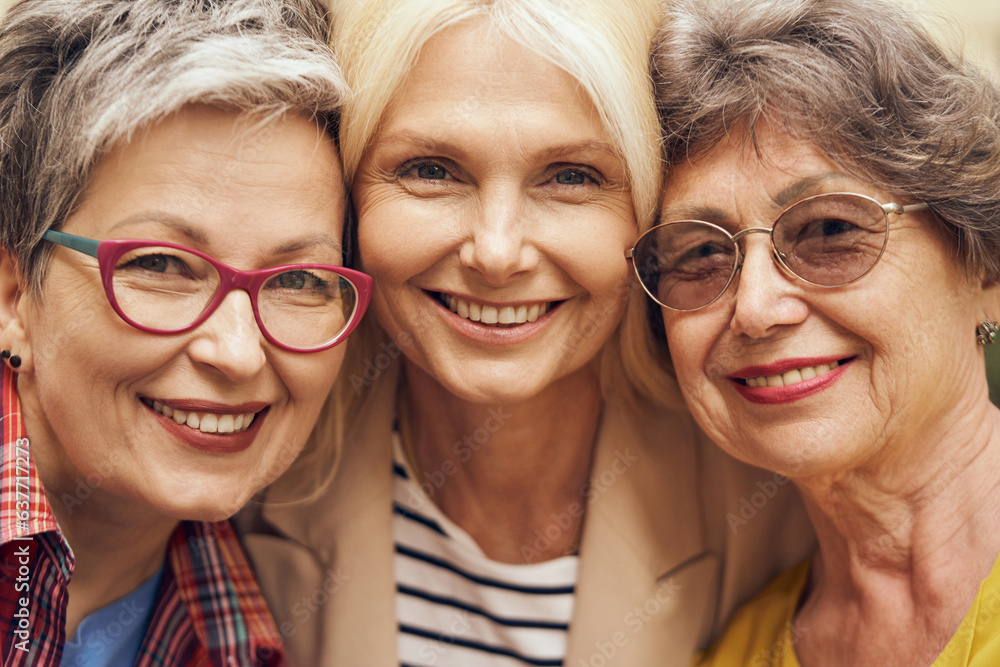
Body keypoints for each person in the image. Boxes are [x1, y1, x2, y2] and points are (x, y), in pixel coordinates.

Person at [240, 1, 814, 665]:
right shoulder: (247, 476)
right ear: (349, 201)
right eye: (431, 169)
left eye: (571, 176)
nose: (497, 251)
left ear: (650, 210)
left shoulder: (776, 505)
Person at [626, 0, 1000, 663]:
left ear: (985, 263)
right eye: (701, 254)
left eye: (830, 230)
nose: (756, 307)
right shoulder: (735, 649)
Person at [0, 0, 371, 665]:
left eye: (297, 279)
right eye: (162, 265)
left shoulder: (246, 633)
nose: (236, 351)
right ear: (13, 294)